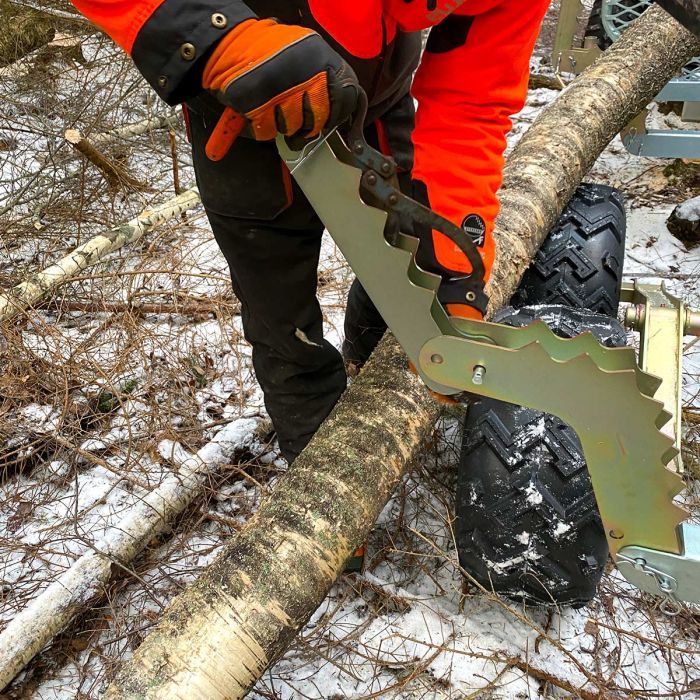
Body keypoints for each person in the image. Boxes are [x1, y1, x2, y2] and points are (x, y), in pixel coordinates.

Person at [70, 0, 550, 463]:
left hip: (375, 110)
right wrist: (216, 36)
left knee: (408, 269)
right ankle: (322, 496)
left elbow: (471, 104)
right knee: (286, 331)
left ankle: (370, 370)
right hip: (243, 129)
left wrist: (453, 267)